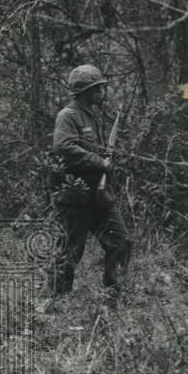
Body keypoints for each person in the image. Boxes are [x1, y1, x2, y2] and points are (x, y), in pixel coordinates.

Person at [47, 64, 131, 305]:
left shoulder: (92, 116)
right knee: (69, 253)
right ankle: (54, 304)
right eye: (97, 89)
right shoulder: (69, 116)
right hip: (74, 197)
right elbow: (64, 148)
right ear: (85, 91)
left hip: (99, 196)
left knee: (120, 242)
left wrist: (106, 159)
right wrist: (99, 161)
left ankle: (111, 300)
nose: (101, 93)